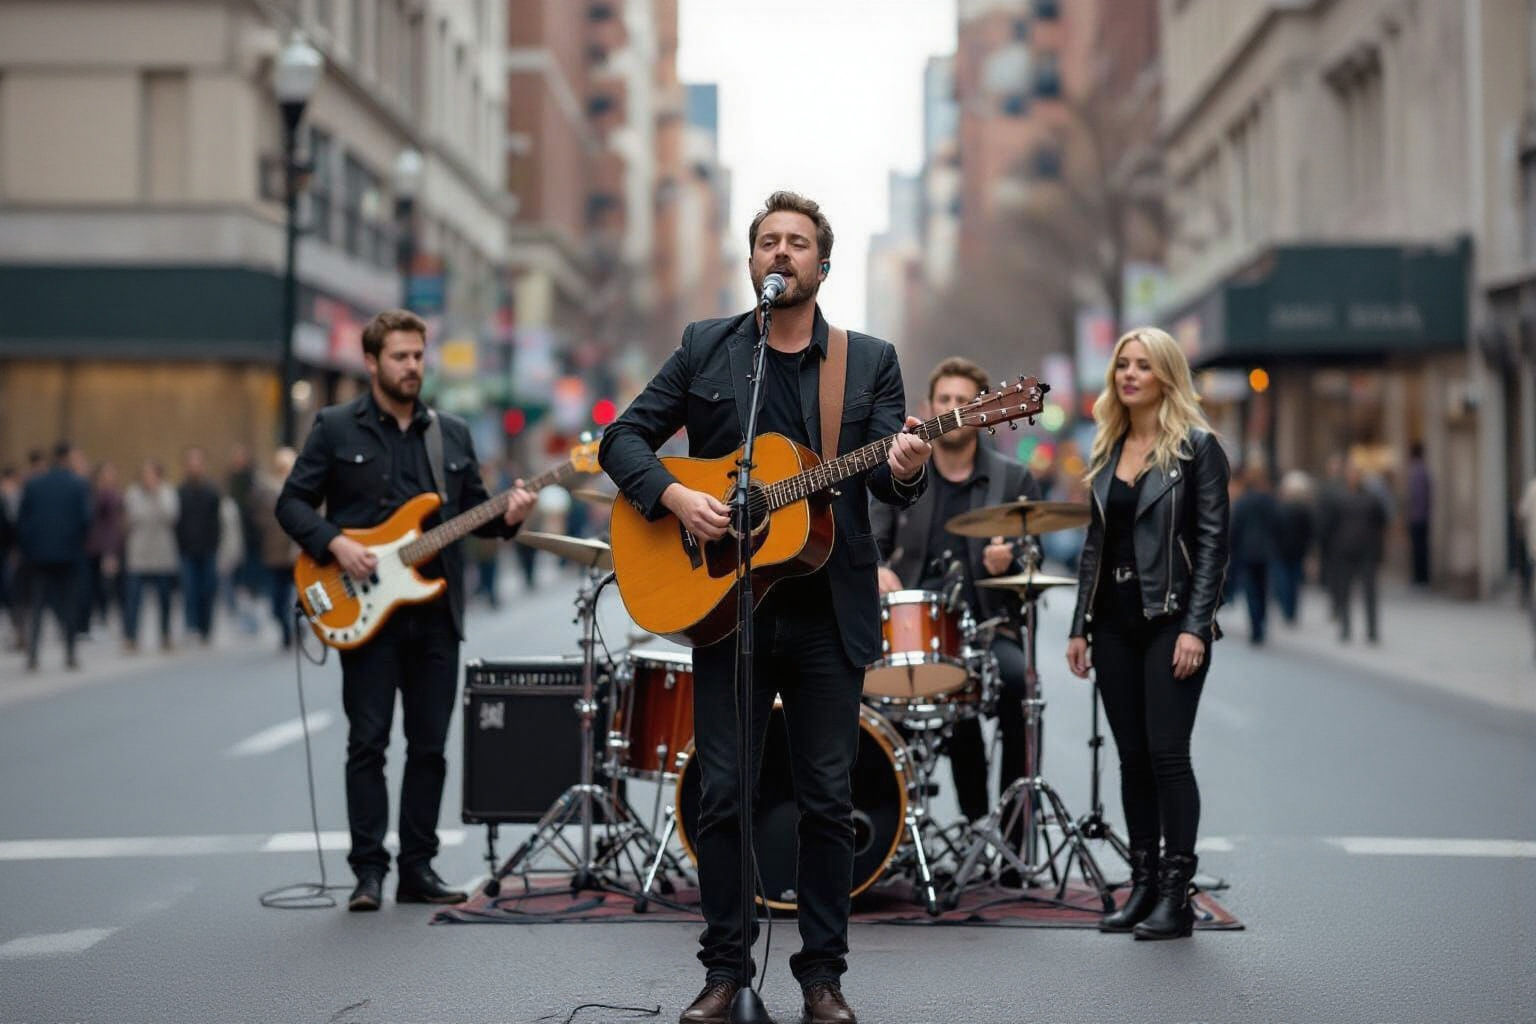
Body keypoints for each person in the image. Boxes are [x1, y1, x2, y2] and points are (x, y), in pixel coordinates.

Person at [599, 191, 931, 1024]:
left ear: (823, 263)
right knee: (723, 793)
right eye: (768, 243)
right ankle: (724, 972)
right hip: (730, 607)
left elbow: (893, 472)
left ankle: (823, 978)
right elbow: (622, 440)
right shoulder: (707, 348)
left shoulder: (868, 360)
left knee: (825, 797)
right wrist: (675, 496)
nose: (782, 254)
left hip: (828, 611)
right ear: (752, 263)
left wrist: (910, 460)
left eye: (798, 243)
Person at [276, 309, 537, 914]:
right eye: (400, 357)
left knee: (430, 746)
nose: (413, 366)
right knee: (367, 743)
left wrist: (511, 515)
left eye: (419, 356)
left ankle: (417, 868)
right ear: (371, 362)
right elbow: (291, 505)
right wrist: (335, 543)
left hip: (434, 614)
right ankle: (368, 872)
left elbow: (477, 513)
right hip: (364, 615)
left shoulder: (451, 433)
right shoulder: (336, 427)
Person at [1065, 326, 1230, 941]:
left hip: (1170, 619)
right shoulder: (1109, 447)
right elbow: (1094, 547)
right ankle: (1142, 886)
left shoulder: (1197, 447)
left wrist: (1196, 627)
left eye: (1142, 365)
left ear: (1166, 376)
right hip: (1114, 620)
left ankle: (1176, 896)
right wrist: (1081, 624)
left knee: (1167, 755)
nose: (1128, 374)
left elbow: (1213, 545)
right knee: (1132, 758)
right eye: (1122, 365)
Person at [870, 356, 1040, 859]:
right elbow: (870, 540)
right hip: (910, 628)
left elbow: (1038, 553)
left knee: (1018, 687)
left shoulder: (1013, 480)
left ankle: (1010, 840)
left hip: (988, 629)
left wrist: (1014, 556)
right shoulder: (902, 471)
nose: (953, 409)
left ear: (985, 410)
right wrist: (877, 569)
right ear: (930, 407)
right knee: (866, 699)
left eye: (964, 401)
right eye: (944, 400)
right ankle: (885, 839)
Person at [17, 441, 93, 671]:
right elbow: (85, 520)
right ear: (67, 457)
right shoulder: (78, 485)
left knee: (38, 605)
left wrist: (29, 549)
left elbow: (23, 521)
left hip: (39, 555)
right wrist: (77, 544)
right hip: (69, 554)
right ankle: (70, 653)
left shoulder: (34, 484)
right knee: (68, 604)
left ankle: (33, 655)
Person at [123, 458, 180, 652]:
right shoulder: (133, 493)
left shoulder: (167, 492)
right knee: (133, 599)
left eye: (151, 474)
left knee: (164, 598)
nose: (147, 478)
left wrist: (156, 495)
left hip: (162, 554)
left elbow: (170, 515)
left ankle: (165, 635)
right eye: (144, 474)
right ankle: (130, 637)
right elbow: (134, 516)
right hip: (139, 554)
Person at [249, 447, 300, 649]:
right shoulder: (267, 490)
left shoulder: (302, 486)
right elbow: (257, 516)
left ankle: (298, 626)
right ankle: (286, 628)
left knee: (299, 596)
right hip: (274, 553)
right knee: (277, 599)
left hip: (299, 552)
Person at [1332, 459, 1387, 644]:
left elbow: (1381, 521)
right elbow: (1331, 525)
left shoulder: (1371, 499)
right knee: (1345, 591)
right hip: (1346, 550)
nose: (1353, 477)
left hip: (1366, 551)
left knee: (1369, 592)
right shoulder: (1340, 498)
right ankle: (1346, 628)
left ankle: (1371, 630)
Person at [175, 447, 222, 644]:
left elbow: (217, 522)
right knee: (189, 590)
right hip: (187, 549)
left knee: (207, 590)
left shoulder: (211, 491)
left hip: (208, 549)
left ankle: (206, 627)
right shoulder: (180, 491)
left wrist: (215, 545)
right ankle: (192, 625)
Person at [1229, 464, 1278, 645]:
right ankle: (1261, 621)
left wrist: (1231, 549)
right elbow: (1277, 524)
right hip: (1265, 552)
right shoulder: (1269, 501)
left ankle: (1255, 626)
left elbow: (1234, 527)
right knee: (1263, 589)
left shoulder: (1243, 502)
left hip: (1247, 552)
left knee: (1251, 591)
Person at [1271, 470, 1313, 626]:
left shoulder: (1281, 509)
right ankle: (1291, 611)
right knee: (1293, 583)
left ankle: (1288, 611)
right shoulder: (1303, 510)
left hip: (1285, 552)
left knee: (1286, 583)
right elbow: (1309, 534)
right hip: (1294, 552)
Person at [1405, 441, 1432, 586]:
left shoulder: (1415, 471)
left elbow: (1415, 495)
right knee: (1422, 548)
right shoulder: (1425, 471)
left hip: (1417, 517)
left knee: (1418, 549)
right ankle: (1422, 577)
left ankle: (1419, 577)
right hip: (1423, 515)